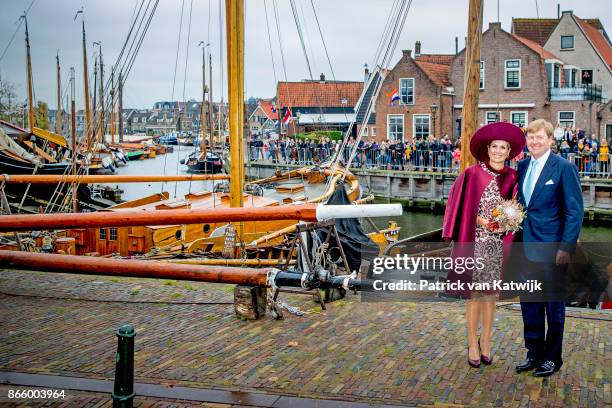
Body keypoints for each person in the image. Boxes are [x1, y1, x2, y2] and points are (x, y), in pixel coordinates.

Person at [443, 122, 525, 369]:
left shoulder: (513, 176)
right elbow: (462, 207)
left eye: (503, 148)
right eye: (495, 147)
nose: (499, 151)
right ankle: (471, 343)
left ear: (509, 151)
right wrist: (483, 221)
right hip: (476, 240)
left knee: (492, 295)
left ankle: (486, 341)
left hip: (498, 243)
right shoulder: (471, 174)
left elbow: (516, 207)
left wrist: (507, 222)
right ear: (487, 149)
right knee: (475, 295)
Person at [514, 119, 583, 378]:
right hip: (526, 248)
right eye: (530, 138)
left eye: (539, 137)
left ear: (550, 140)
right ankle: (534, 354)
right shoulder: (521, 166)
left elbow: (574, 211)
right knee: (529, 305)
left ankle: (552, 358)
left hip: (554, 250)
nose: (534, 142)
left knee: (553, 307)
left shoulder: (564, 168)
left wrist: (566, 247)